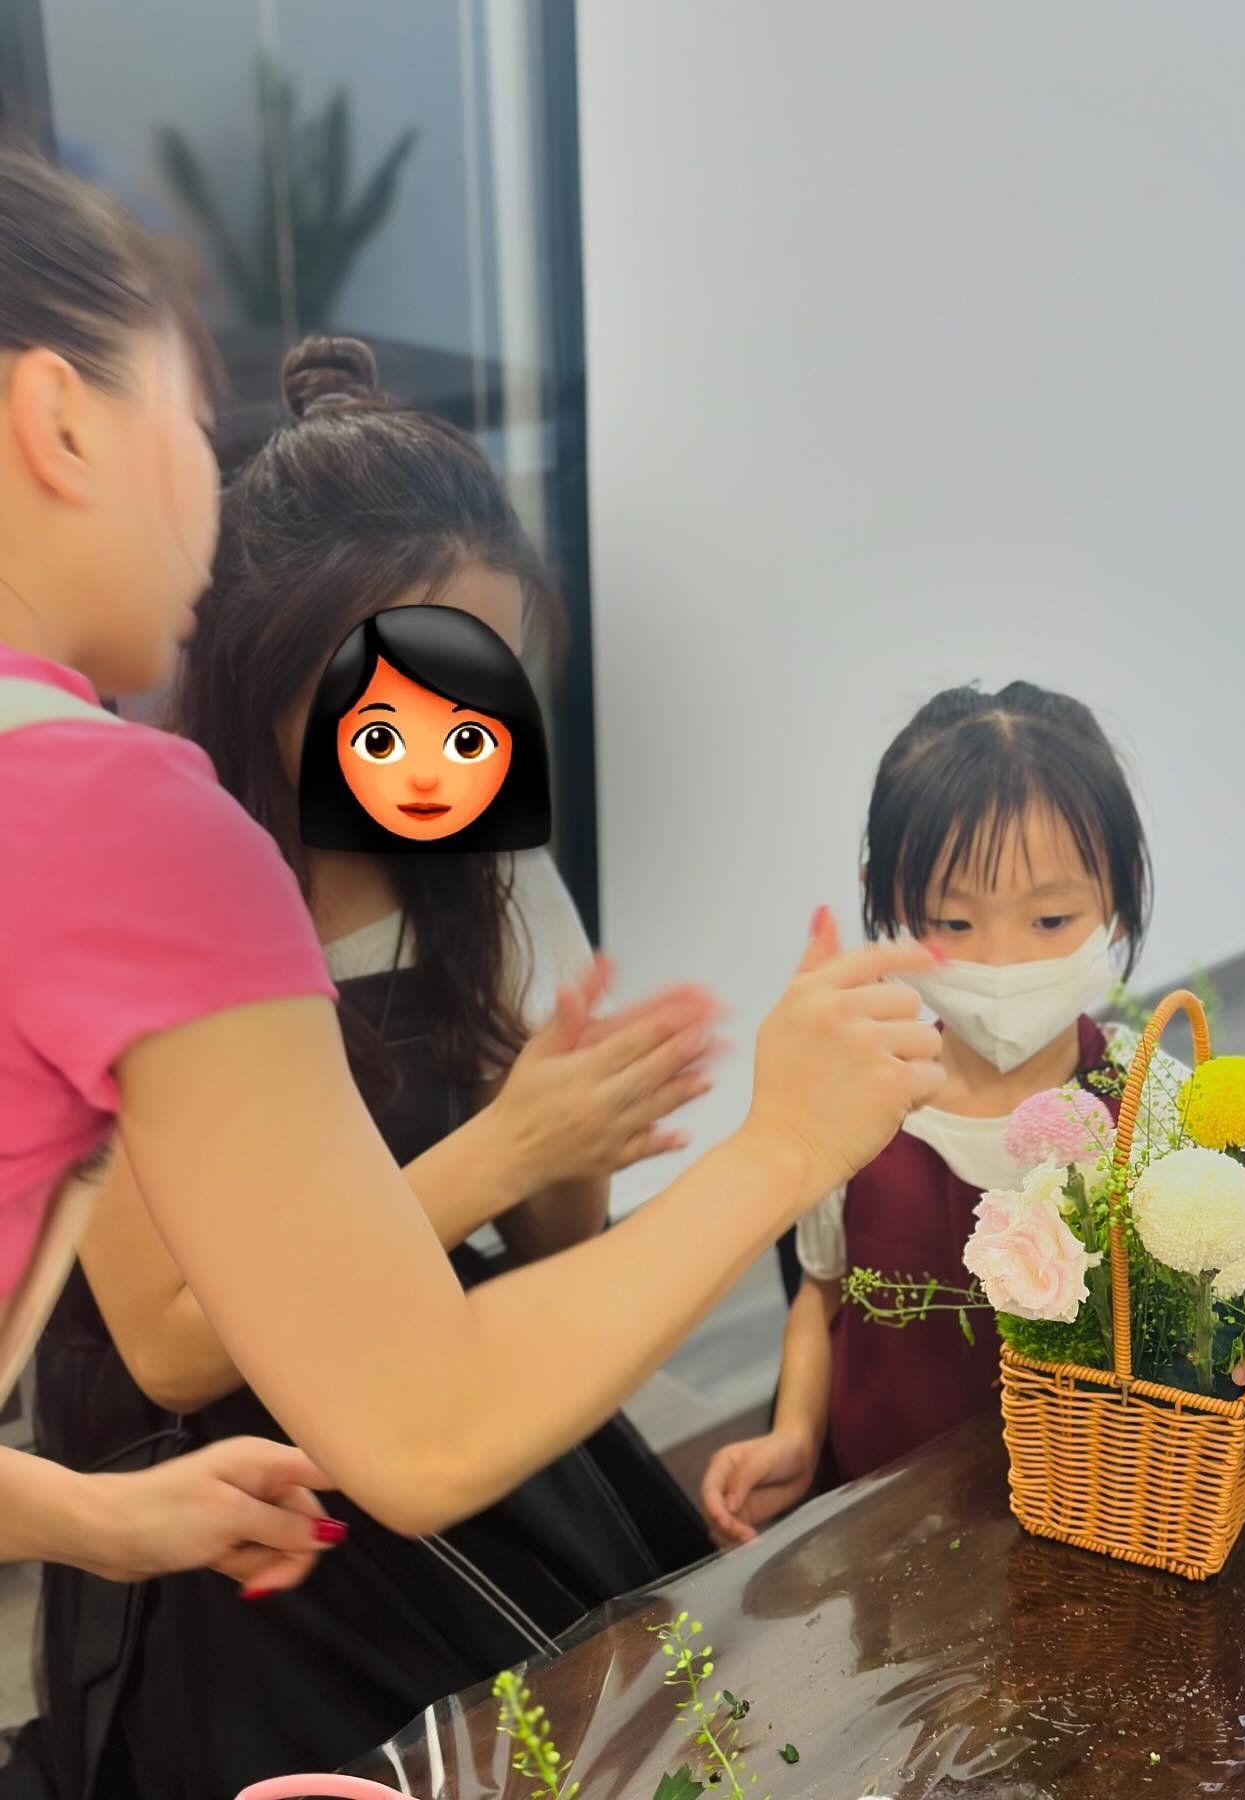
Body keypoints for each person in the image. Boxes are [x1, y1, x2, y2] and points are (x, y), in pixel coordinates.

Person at [0, 149, 946, 1566]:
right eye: (192, 424)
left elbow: (549, 1268)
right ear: (59, 422)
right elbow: (413, 1420)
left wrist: (85, 1520)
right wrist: (783, 1145)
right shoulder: (131, 835)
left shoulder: (475, 886)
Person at [14, 336, 728, 1799]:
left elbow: (547, 1256)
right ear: (270, 660)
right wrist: (510, 1146)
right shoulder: (155, 875)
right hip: (225, 1499)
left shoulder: (493, 882)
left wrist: (577, 1132)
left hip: (436, 1404)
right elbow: (172, 1343)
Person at [702, 683, 1245, 1546]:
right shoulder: (852, 1105)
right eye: (951, 920)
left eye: (1050, 918)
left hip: (1099, 1528)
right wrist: (794, 1433)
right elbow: (823, 1291)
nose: (1003, 961)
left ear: (1119, 895)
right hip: (884, 1536)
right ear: (884, 899)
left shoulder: (1160, 1111)